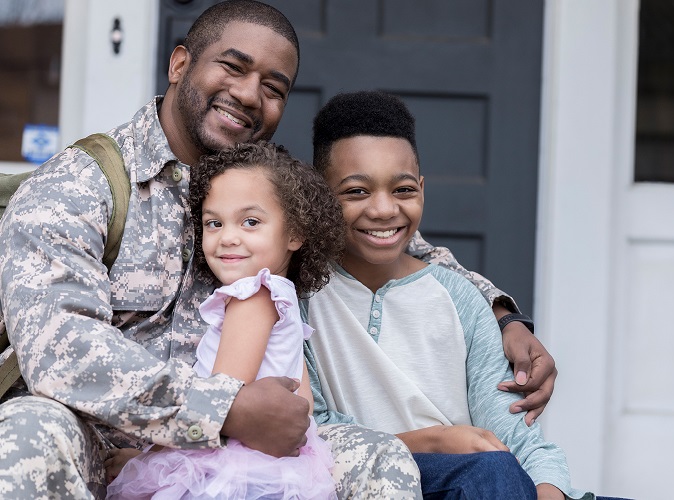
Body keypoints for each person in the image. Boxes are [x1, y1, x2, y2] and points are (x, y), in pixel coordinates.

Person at [0, 1, 553, 497]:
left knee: (382, 462)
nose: (249, 95)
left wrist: (503, 314)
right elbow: (61, 351)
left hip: (244, 448)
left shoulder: (267, 184)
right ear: (179, 65)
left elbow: (385, 234)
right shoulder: (81, 184)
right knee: (29, 430)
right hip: (101, 446)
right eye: (234, 68)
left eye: (273, 87)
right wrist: (224, 411)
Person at [303, 90, 592, 500]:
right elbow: (313, 431)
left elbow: (521, 440)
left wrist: (550, 491)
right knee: (486, 472)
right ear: (320, 196)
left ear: (422, 188)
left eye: (403, 190)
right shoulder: (298, 297)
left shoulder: (461, 298)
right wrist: (438, 440)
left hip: (485, 484)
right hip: (381, 482)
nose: (384, 210)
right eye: (356, 192)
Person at [105, 142, 341, 498]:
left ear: (295, 234)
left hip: (229, 465)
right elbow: (300, 404)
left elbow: (222, 400)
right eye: (214, 223)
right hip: (282, 471)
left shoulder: (251, 297)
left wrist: (141, 458)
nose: (228, 237)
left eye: (250, 222)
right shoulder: (283, 298)